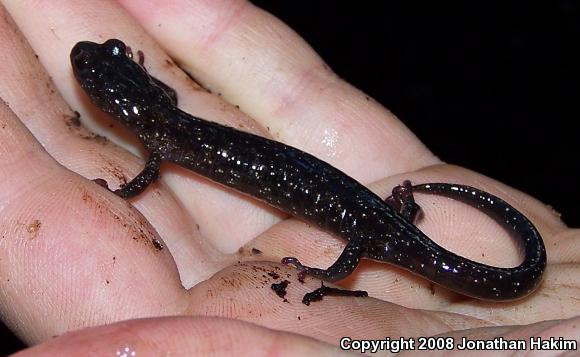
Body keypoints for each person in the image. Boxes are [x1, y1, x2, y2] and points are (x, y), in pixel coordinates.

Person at [0, 1, 578, 355]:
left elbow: (145, 170)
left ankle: (355, 255)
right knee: (370, 222)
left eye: (111, 57)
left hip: (368, 233)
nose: (93, 58)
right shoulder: (166, 125)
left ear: (116, 107)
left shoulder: (161, 139)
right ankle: (398, 221)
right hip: (371, 220)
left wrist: (330, 275)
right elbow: (165, 104)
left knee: (367, 233)